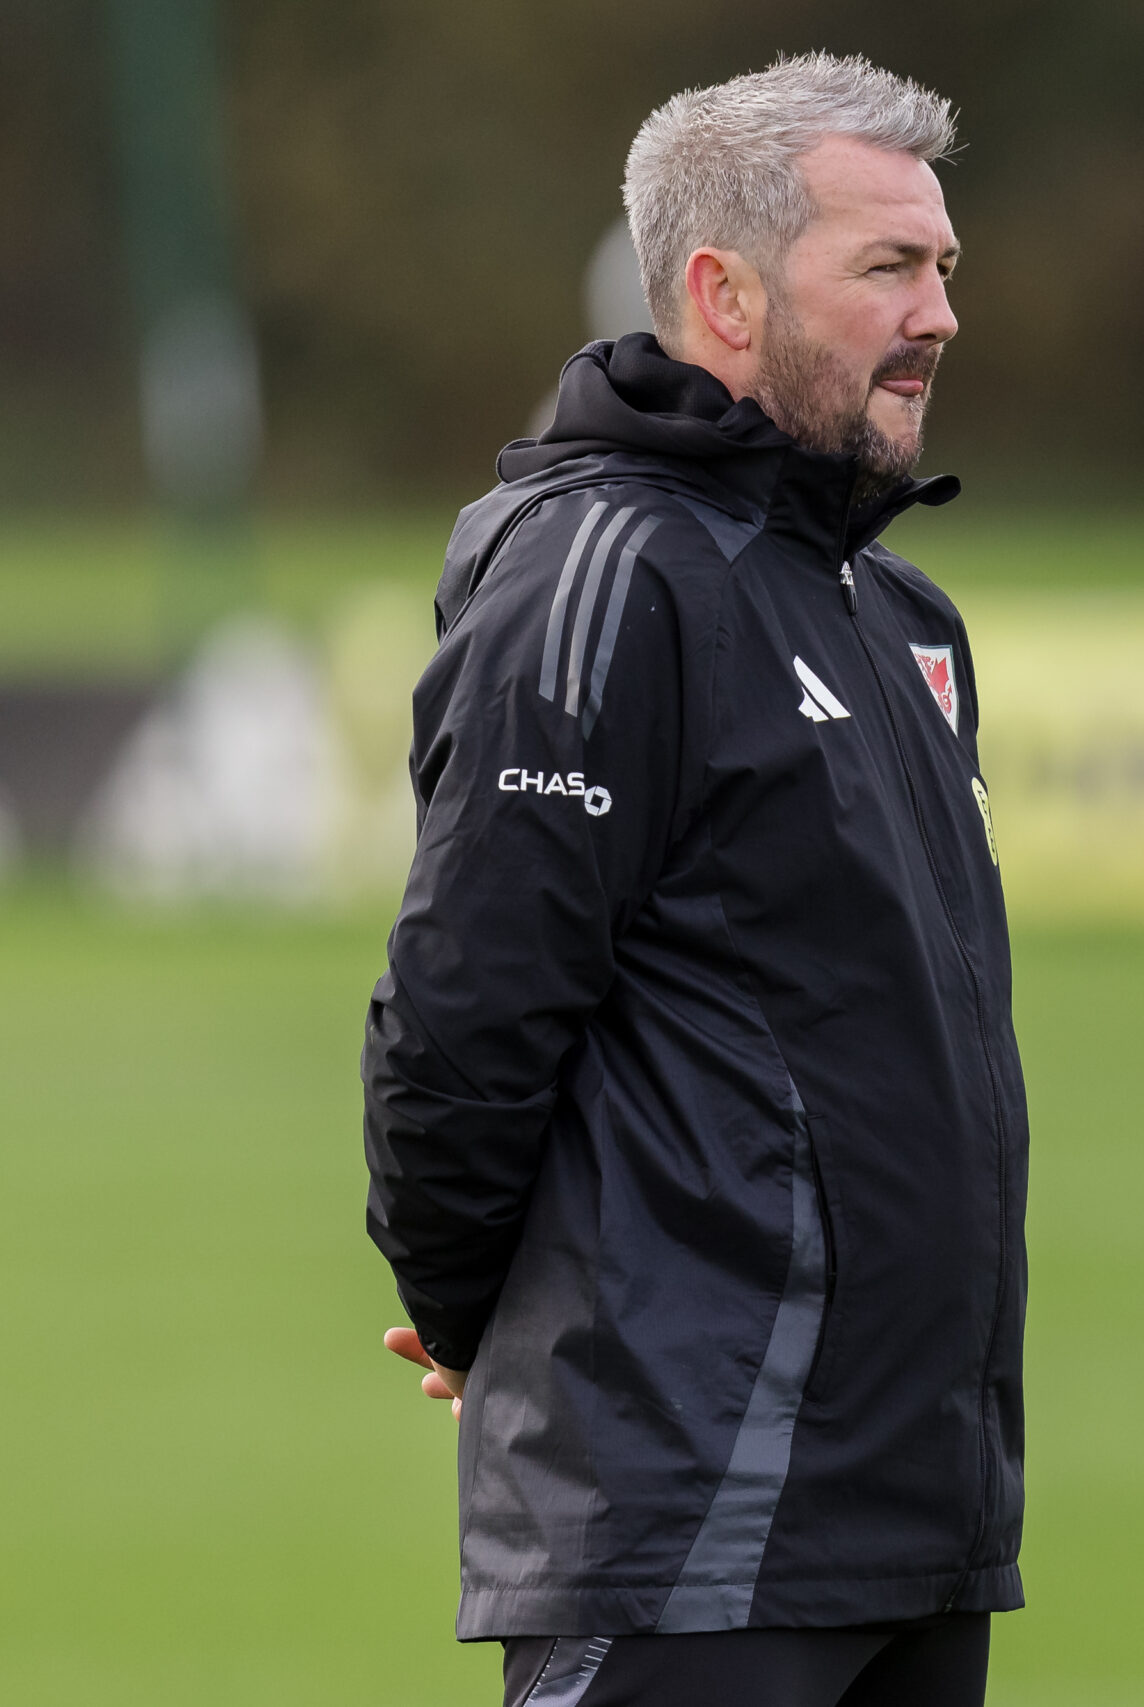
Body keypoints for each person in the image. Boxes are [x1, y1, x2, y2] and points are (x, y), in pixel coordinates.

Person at [361, 54, 1025, 1707]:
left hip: (916, 1526)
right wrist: (475, 1312)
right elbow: (461, 1022)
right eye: (889, 266)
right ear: (724, 294)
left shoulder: (900, 615)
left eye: (944, 266)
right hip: (691, 1526)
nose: (939, 313)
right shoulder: (603, 576)